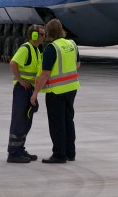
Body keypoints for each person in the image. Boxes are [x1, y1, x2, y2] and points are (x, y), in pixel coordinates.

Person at [31, 19, 80, 163]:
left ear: (48, 32)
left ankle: (59, 154)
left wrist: (35, 93)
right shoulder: (72, 44)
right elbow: (78, 64)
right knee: (68, 121)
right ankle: (70, 152)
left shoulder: (51, 49)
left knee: (57, 123)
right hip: (72, 88)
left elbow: (45, 74)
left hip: (56, 91)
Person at [7, 25, 44, 163]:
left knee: (26, 120)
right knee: (19, 121)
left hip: (29, 89)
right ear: (34, 36)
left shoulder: (36, 50)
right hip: (22, 90)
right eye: (41, 34)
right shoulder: (26, 48)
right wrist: (20, 80)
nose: (43, 37)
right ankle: (13, 153)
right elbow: (13, 63)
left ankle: (20, 148)